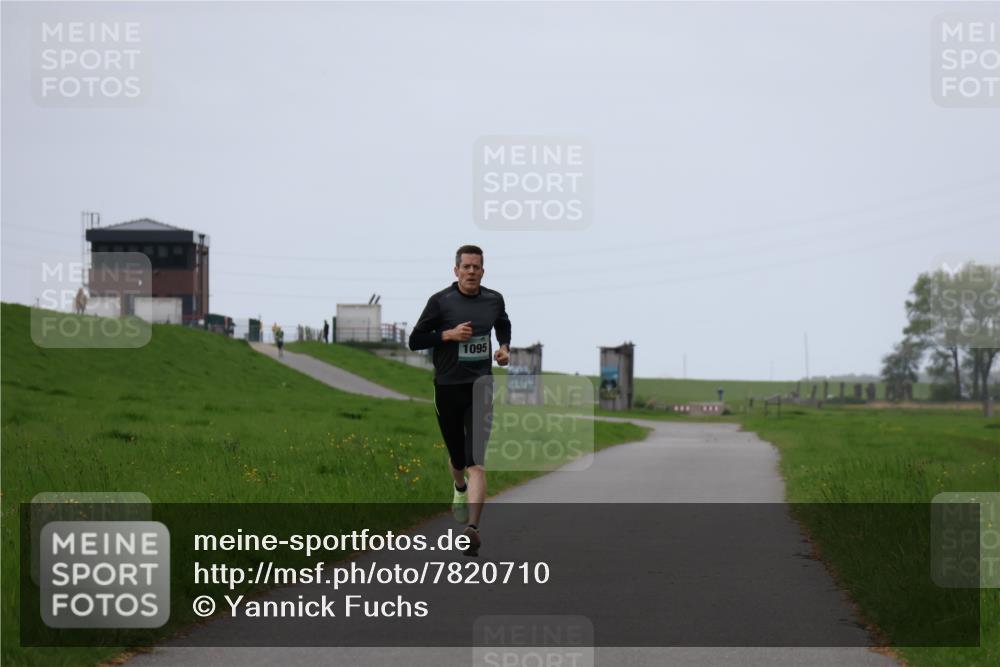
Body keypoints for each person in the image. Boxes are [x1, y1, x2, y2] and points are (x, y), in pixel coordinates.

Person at [408, 245, 511, 557]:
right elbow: (415, 340)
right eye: (465, 266)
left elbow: (502, 322)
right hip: (448, 387)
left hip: (481, 387)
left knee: (476, 462)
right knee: (457, 459)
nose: (471, 271)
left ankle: (473, 530)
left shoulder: (494, 299)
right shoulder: (440, 302)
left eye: (476, 267)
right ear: (456, 271)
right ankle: (458, 488)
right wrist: (447, 335)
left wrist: (504, 347)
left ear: (483, 271)